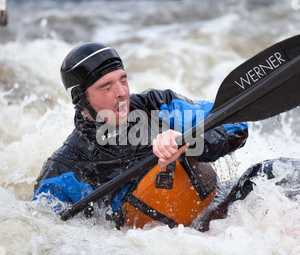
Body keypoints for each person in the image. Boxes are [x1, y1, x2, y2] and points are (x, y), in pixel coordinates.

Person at [32, 42, 298, 231]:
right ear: (81, 99)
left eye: (123, 80)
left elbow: (235, 125)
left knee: (278, 171)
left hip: (222, 214)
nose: (122, 92)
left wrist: (189, 141)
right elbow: (47, 234)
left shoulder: (159, 107)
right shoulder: (65, 169)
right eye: (107, 86)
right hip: (166, 246)